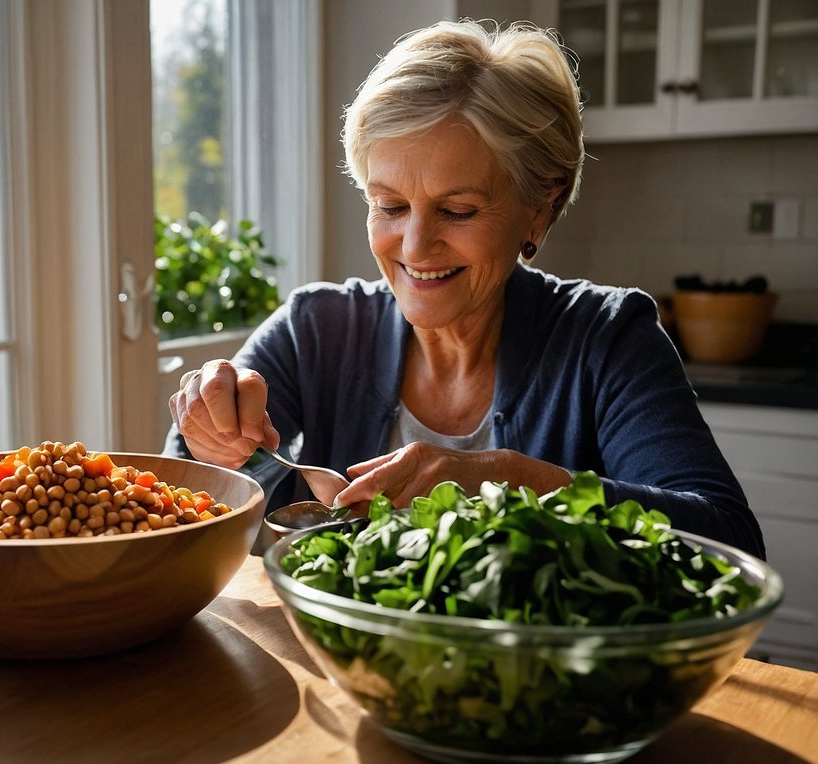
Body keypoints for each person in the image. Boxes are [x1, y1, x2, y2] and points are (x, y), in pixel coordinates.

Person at [164, 18, 764, 558]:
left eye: (458, 211)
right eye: (390, 205)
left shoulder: (606, 339)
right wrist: (212, 442)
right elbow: (180, 502)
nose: (416, 247)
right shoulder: (315, 328)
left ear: (538, 208)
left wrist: (513, 482)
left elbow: (728, 541)